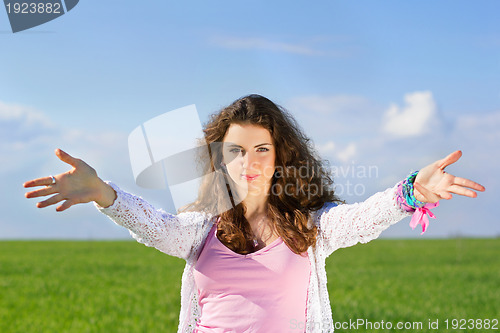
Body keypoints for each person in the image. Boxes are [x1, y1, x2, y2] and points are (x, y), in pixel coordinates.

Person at [23, 94, 485, 333]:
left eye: (262, 148)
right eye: (237, 150)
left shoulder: (309, 226)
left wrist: (410, 192)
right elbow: (157, 228)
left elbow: (359, 219)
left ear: (281, 155)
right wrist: (104, 192)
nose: (251, 163)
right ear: (221, 159)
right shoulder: (202, 227)